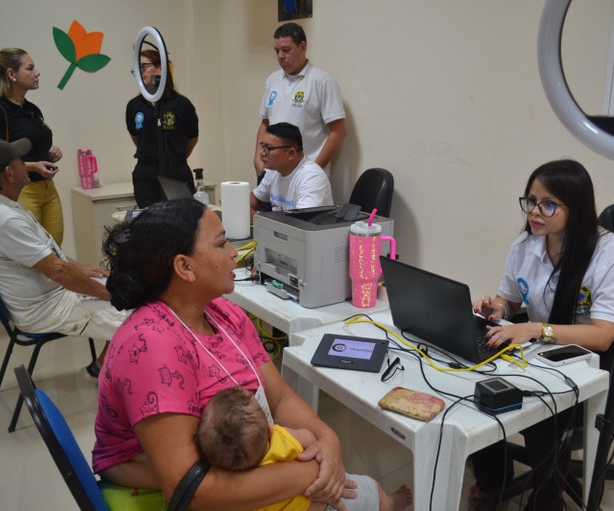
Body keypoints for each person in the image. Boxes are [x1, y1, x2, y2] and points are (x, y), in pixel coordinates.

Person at [93, 199, 392, 510]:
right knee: (363, 496)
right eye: (221, 244)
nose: (234, 252)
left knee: (367, 493)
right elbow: (189, 487)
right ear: (184, 267)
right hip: (184, 491)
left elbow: (280, 398)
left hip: (237, 469)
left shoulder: (223, 312)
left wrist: (328, 441)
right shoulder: (151, 345)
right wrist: (313, 473)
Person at [469, 159, 614, 510]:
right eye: (530, 201)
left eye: (548, 204)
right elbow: (508, 301)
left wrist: (534, 329)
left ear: (577, 207)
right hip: (542, 348)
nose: (534, 212)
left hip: (594, 361)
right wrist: (497, 309)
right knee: (474, 380)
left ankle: (546, 499)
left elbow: (603, 336)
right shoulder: (526, 245)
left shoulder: (610, 253)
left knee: (539, 407)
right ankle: (494, 479)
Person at [0, 138, 128, 380]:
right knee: (139, 311)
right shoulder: (3, 219)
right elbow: (58, 271)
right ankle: (109, 375)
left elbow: (50, 256)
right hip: (48, 307)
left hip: (50, 295)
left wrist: (82, 269)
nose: (26, 165)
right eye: (21, 161)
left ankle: (102, 365)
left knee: (127, 290)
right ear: (9, 174)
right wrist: (111, 295)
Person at [196, 386, 412, 511]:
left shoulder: (243, 490)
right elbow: (311, 440)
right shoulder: (283, 439)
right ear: (270, 431)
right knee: (371, 489)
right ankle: (391, 503)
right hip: (333, 502)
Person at [0, 48, 65, 245]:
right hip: (22, 191)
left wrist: (50, 154)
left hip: (48, 190)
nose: (37, 72)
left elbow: (34, 145)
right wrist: (33, 166)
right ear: (12, 74)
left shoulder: (32, 110)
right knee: (34, 256)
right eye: (30, 68)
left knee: (56, 252)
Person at [254, 22, 346, 183]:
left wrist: (314, 170)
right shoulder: (272, 80)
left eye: (286, 50)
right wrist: (258, 157)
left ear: (302, 47)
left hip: (305, 176)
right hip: (271, 175)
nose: (280, 56)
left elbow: (338, 132)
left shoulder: (322, 81)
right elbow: (265, 123)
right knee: (259, 207)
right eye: (277, 51)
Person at [126, 48, 199, 208]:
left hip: (176, 175)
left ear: (161, 68)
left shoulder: (181, 105)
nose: (139, 73)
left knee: (180, 224)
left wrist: (174, 156)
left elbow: (192, 138)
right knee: (150, 227)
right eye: (136, 69)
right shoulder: (134, 106)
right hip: (146, 178)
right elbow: (138, 139)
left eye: (143, 67)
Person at [250, 122, 334, 217]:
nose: (262, 153)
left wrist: (257, 218)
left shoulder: (312, 177)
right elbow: (255, 199)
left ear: (291, 153)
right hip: (278, 229)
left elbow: (301, 222)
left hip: (301, 229)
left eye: (268, 148)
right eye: (262, 147)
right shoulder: (274, 170)